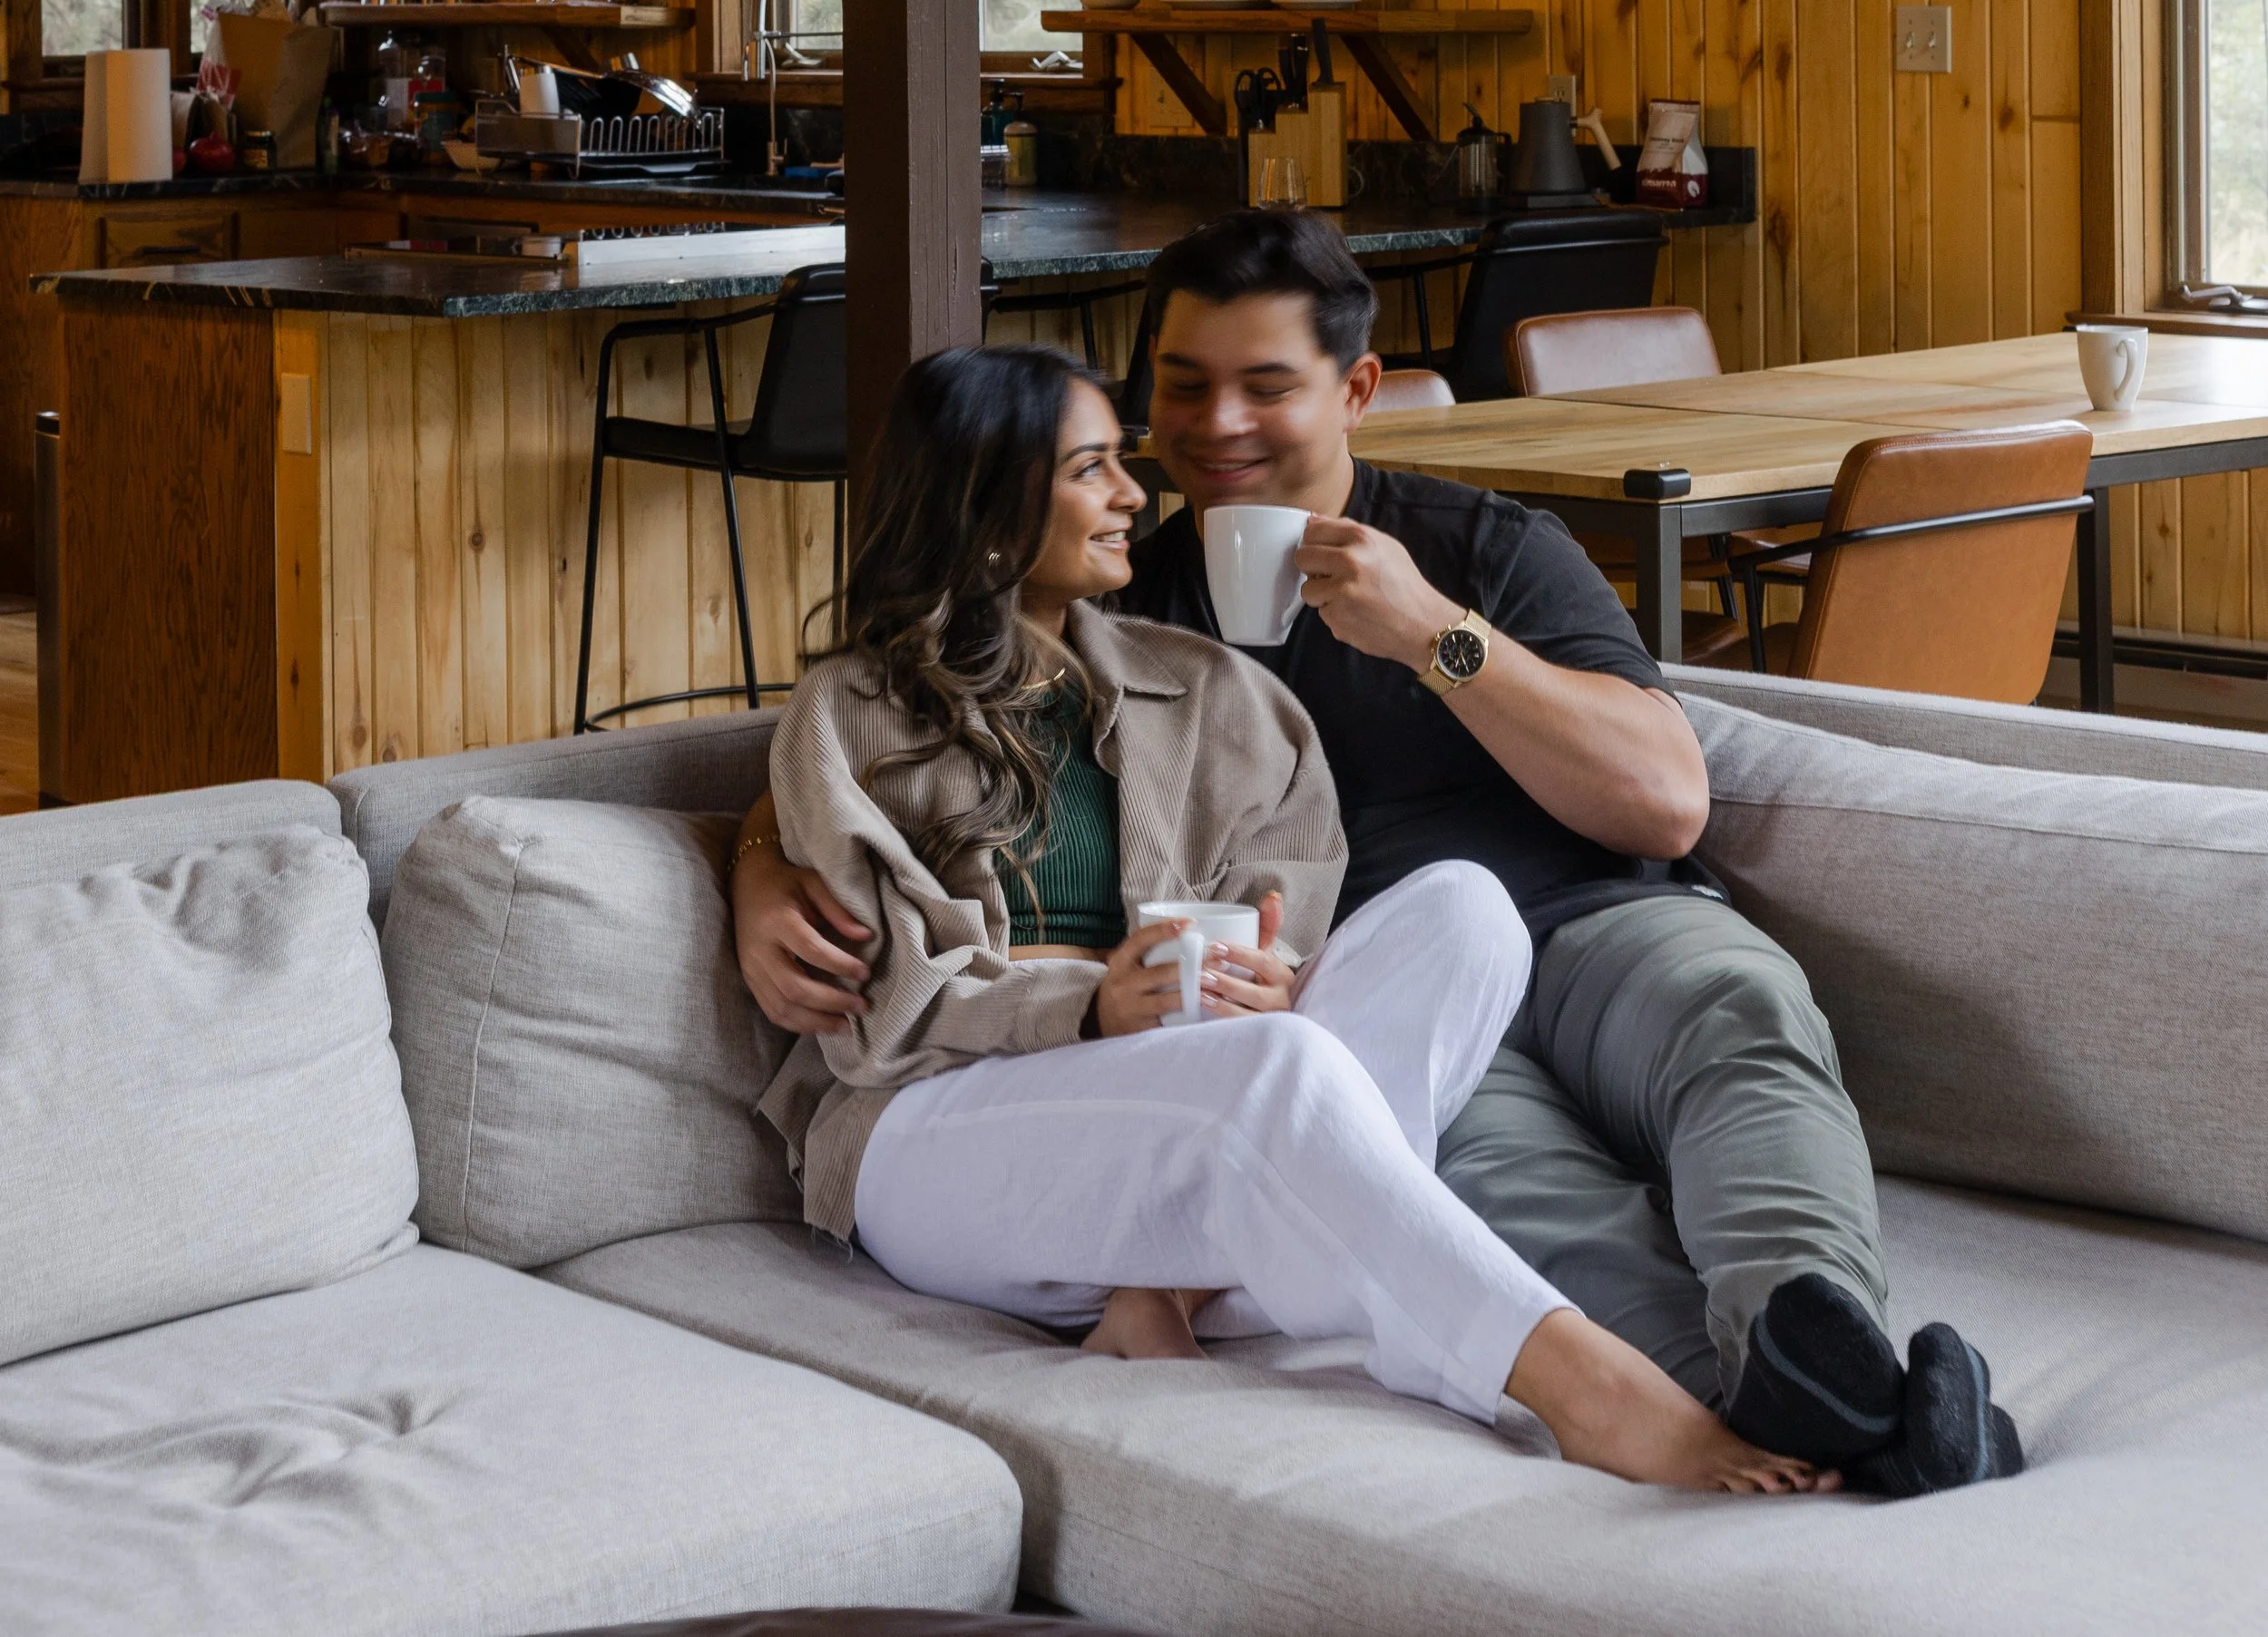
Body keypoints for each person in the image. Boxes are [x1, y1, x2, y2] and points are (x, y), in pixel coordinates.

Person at [737, 215, 2019, 1502]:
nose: (1213, 424)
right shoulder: (1131, 608)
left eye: (1266, 385)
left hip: (1593, 920)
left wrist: (1431, 637)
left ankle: (1823, 1332)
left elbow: (1665, 800)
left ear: (1355, 391)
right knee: (1510, 1184)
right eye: (1181, 387)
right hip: (1368, 1004)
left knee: (1724, 1006)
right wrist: (759, 863)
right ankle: (1793, 1413)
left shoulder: (1477, 549)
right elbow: (896, 730)